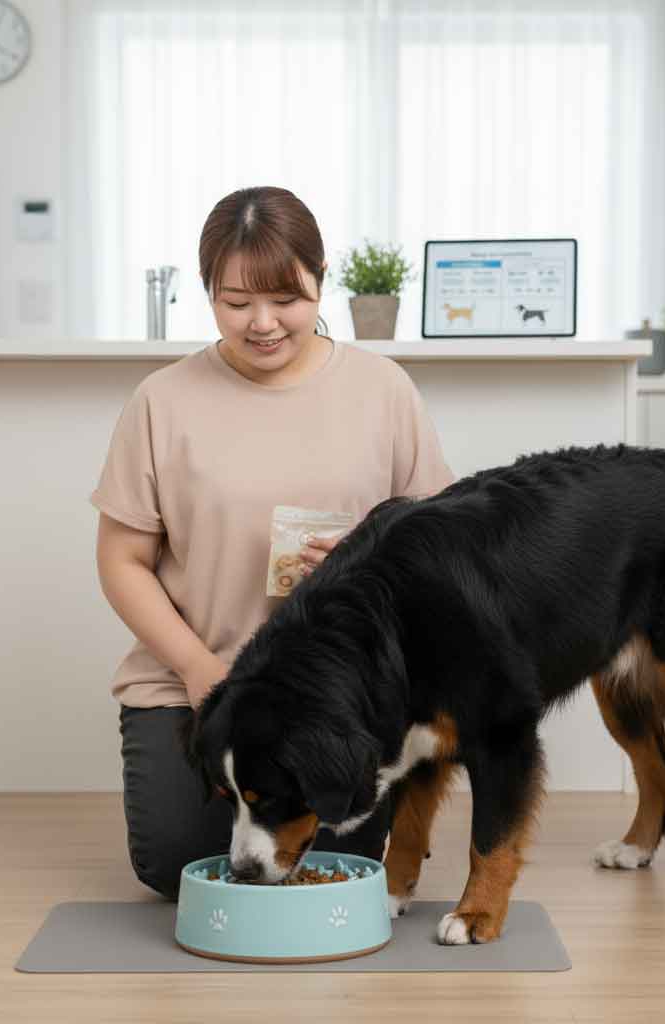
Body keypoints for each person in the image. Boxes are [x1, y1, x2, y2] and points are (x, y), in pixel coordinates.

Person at [91, 185, 456, 900]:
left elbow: (447, 556)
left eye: (286, 297)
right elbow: (121, 560)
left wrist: (374, 549)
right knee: (178, 867)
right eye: (235, 302)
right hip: (197, 684)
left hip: (343, 698)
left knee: (338, 864)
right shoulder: (162, 400)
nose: (262, 323)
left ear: (321, 278)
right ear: (208, 296)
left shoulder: (384, 390)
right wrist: (198, 669)